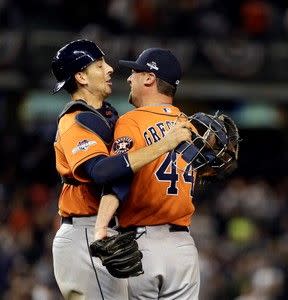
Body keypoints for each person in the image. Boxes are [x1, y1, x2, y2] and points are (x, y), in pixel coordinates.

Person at [51, 40, 192, 299]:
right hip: (86, 231)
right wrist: (164, 143)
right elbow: (101, 171)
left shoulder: (108, 115)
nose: (110, 70)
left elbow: (132, 170)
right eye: (99, 65)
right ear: (81, 76)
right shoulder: (74, 120)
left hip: (104, 230)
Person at [94, 48, 200, 300]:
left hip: (142, 245)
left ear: (149, 78)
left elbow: (118, 178)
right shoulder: (190, 124)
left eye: (135, 72)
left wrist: (100, 227)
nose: (129, 78)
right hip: (184, 247)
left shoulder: (132, 121)